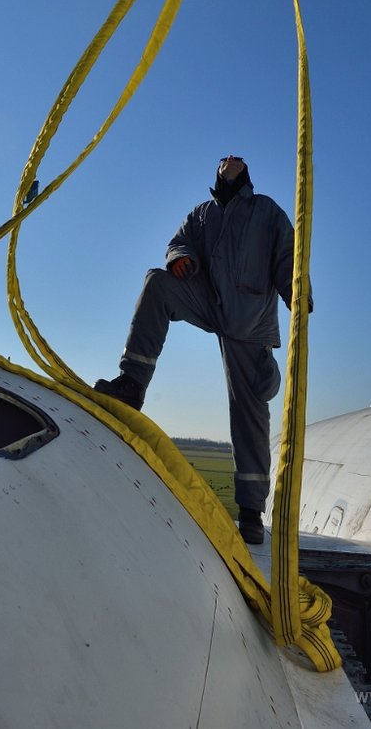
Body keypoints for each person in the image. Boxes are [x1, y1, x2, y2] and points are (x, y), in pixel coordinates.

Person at [94, 155, 307, 546]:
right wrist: (181, 259)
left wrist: (297, 292)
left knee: (250, 407)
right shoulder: (203, 214)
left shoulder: (265, 211)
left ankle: (251, 511)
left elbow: (287, 257)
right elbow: (179, 242)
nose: (230, 158)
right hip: (209, 300)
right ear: (217, 171)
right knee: (157, 283)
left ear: (246, 173)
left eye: (237, 159)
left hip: (250, 317)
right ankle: (133, 383)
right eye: (223, 158)